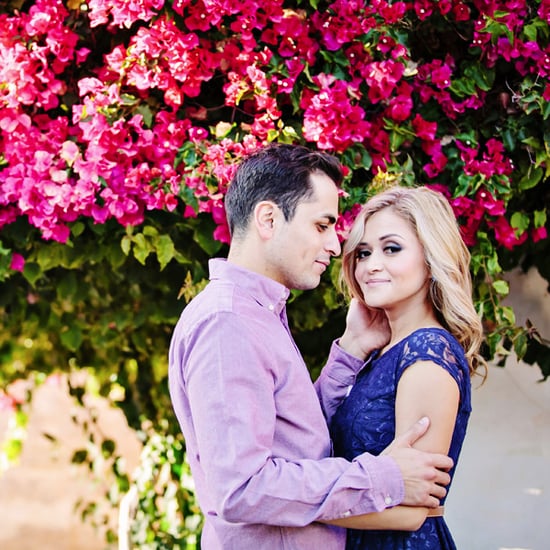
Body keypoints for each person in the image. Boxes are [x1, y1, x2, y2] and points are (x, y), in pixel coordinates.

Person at [168, 144, 453, 550]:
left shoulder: (256, 316)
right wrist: (383, 478)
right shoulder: (227, 323)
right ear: (268, 218)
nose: (336, 247)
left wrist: (350, 352)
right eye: (322, 226)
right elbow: (241, 488)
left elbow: (295, 443)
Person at [328, 186, 487, 549]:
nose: (370, 265)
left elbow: (411, 509)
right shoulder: (382, 351)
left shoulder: (428, 350)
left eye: (391, 248)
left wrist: (285, 505)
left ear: (431, 260)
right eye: (363, 253)